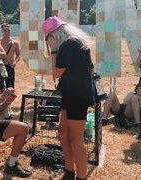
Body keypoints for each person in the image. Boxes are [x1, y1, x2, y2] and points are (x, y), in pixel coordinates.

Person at [43, 16, 94, 180]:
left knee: (76, 139)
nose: (49, 42)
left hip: (76, 95)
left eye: (48, 39)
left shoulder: (67, 45)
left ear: (53, 35)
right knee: (63, 132)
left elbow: (56, 73)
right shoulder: (77, 42)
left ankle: (81, 177)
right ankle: (69, 171)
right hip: (73, 93)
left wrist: (53, 51)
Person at [0, 23, 21, 118]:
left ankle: (9, 107)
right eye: (5, 30)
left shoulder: (14, 43)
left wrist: (15, 62)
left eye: (9, 30)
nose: (7, 32)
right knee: (1, 88)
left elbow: (19, 54)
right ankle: (3, 108)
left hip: (10, 67)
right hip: (0, 67)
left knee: (10, 87)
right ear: (1, 31)